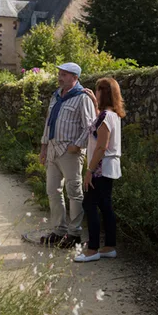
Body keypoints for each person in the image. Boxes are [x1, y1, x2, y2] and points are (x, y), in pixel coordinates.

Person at [39, 62, 96, 248]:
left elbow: (90, 126)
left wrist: (77, 145)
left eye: (64, 74)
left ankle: (74, 234)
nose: (60, 77)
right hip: (53, 150)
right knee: (53, 191)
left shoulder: (82, 98)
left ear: (75, 78)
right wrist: (44, 147)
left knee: (74, 193)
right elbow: (49, 123)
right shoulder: (56, 96)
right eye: (59, 73)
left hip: (71, 153)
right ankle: (58, 231)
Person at [74, 77, 125, 263]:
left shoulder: (105, 117)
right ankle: (109, 246)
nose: (96, 93)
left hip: (100, 168)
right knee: (105, 206)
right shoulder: (111, 115)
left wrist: (89, 170)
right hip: (109, 167)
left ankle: (93, 249)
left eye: (98, 91)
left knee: (90, 205)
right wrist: (96, 104)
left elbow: (101, 146)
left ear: (104, 93)